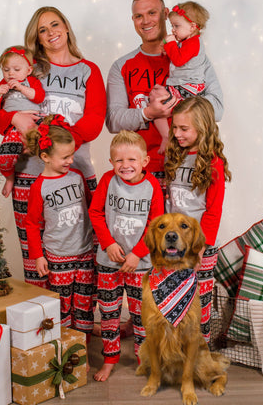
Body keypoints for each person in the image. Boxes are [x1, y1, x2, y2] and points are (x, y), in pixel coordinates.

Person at [0, 6, 106, 288]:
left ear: (66, 26)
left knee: (84, 250)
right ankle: (41, 323)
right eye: (42, 29)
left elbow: (94, 121)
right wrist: (15, 117)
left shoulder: (88, 70)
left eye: (55, 24)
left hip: (75, 171)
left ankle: (78, 324)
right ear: (37, 38)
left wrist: (55, 141)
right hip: (30, 175)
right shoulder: (25, 67)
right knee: (35, 254)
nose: (51, 32)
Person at [106, 0, 223, 187]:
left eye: (152, 13)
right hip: (140, 174)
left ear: (165, 14)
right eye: (138, 16)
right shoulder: (122, 66)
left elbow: (217, 109)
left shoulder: (194, 60)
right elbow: (113, 121)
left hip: (188, 171)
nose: (145, 21)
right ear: (133, 20)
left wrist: (175, 103)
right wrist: (147, 113)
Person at [89, 130, 164, 382]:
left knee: (142, 315)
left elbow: (157, 224)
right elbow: (96, 212)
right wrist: (108, 243)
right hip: (108, 263)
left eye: (132, 160)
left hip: (140, 266)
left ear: (144, 161)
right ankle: (110, 359)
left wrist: (137, 254)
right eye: (119, 160)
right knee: (109, 313)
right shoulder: (108, 180)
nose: (125, 165)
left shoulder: (152, 185)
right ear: (111, 162)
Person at [25, 115, 94, 357]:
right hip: (58, 256)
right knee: (63, 304)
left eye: (72, 155)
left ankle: (83, 346)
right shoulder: (39, 187)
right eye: (65, 157)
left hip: (85, 252)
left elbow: (91, 209)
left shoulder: (77, 177)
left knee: (84, 301)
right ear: (45, 157)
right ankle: (66, 349)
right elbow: (31, 223)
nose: (71, 160)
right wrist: (38, 256)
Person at [164, 96, 232, 342]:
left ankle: (199, 351)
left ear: (202, 128)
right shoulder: (176, 154)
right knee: (173, 298)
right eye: (175, 128)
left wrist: (199, 249)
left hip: (198, 246)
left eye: (184, 129)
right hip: (172, 244)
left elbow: (213, 211)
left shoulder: (213, 162)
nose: (177, 134)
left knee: (198, 301)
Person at [151, 0, 210, 154]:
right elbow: (174, 52)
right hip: (181, 85)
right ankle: (166, 136)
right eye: (172, 26)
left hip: (189, 89)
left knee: (158, 99)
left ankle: (166, 137)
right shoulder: (185, 42)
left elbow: (178, 60)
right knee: (156, 95)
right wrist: (167, 44)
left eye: (177, 26)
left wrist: (170, 44)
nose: (173, 30)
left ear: (192, 27)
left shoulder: (194, 43)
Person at [0, 45, 45, 198]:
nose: (11, 74)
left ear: (28, 70)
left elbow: (39, 97)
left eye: (16, 69)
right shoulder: (3, 86)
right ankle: (9, 178)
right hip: (14, 127)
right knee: (3, 159)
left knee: (51, 140)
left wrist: (21, 88)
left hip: (35, 120)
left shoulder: (31, 81)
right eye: (6, 70)